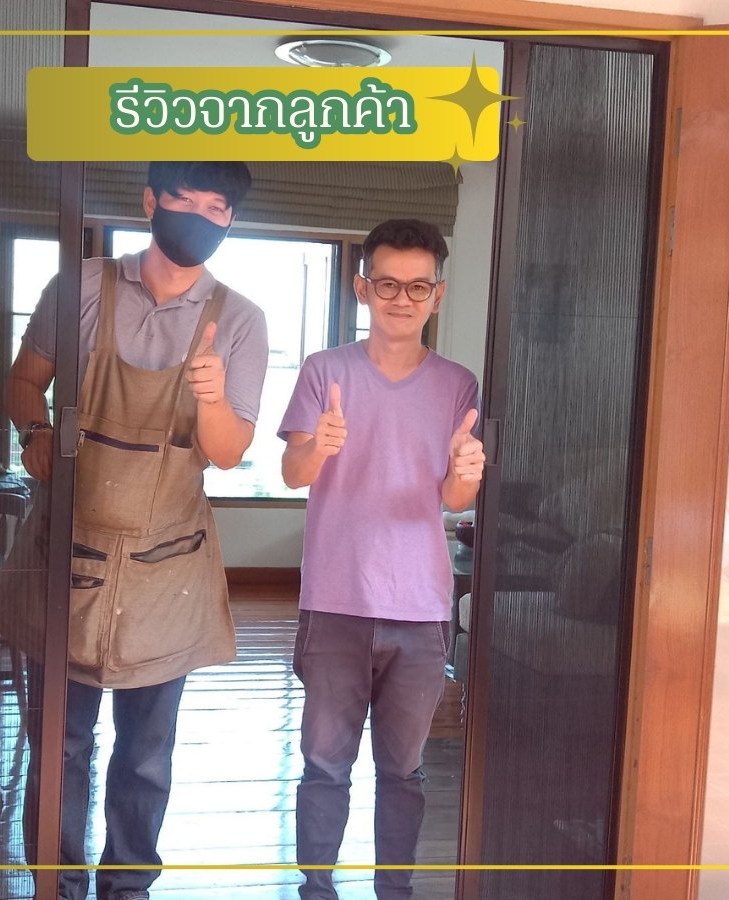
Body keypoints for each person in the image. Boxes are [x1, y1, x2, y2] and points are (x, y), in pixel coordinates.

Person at [0, 161, 267, 900]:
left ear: (231, 221)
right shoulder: (79, 286)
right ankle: (56, 883)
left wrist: (213, 397)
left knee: (146, 754)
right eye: (184, 199)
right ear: (150, 201)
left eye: (218, 208)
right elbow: (24, 379)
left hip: (165, 570)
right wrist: (33, 431)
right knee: (61, 744)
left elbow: (229, 452)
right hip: (68, 558)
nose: (200, 217)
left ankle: (127, 887)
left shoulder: (240, 320)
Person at [278, 219, 485, 900]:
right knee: (324, 765)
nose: (402, 298)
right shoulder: (325, 371)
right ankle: (316, 889)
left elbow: (452, 498)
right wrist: (318, 446)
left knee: (403, 771)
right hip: (335, 602)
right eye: (388, 284)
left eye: (418, 286)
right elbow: (293, 474)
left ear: (437, 294)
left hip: (420, 609)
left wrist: (466, 474)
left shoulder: (458, 385)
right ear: (362, 287)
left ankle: (394, 889)